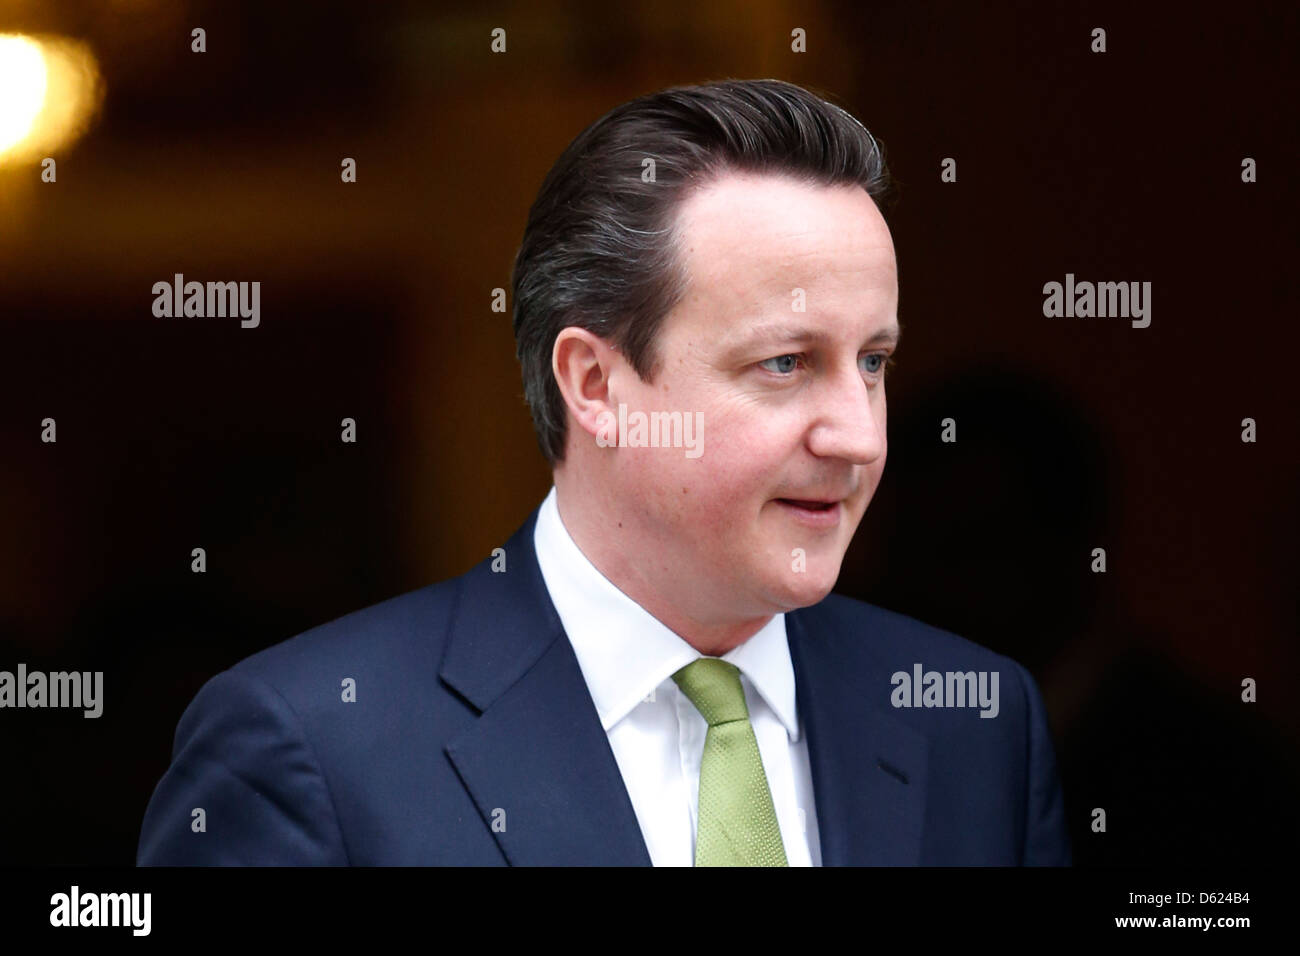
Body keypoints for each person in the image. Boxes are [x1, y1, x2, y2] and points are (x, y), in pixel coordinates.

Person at [137, 78, 1071, 866]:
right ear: (594, 382)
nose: (858, 436)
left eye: (872, 362)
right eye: (784, 364)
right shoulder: (310, 747)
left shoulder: (975, 722)